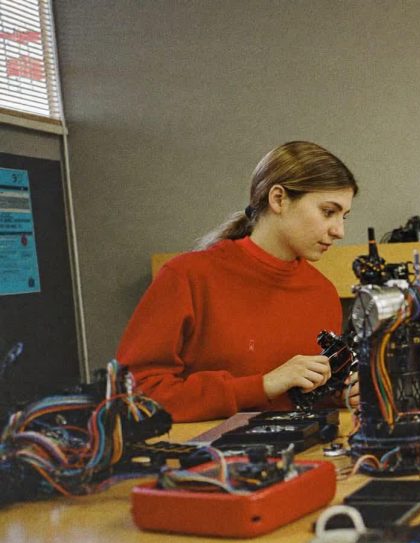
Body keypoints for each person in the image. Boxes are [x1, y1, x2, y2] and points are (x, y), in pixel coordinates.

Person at [116, 141, 358, 422]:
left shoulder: (322, 293)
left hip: (298, 447)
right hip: (207, 449)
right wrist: (261, 386)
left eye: (344, 216)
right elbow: (134, 397)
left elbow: (304, 396)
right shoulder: (187, 277)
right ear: (278, 199)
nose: (339, 231)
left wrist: (342, 394)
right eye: (328, 212)